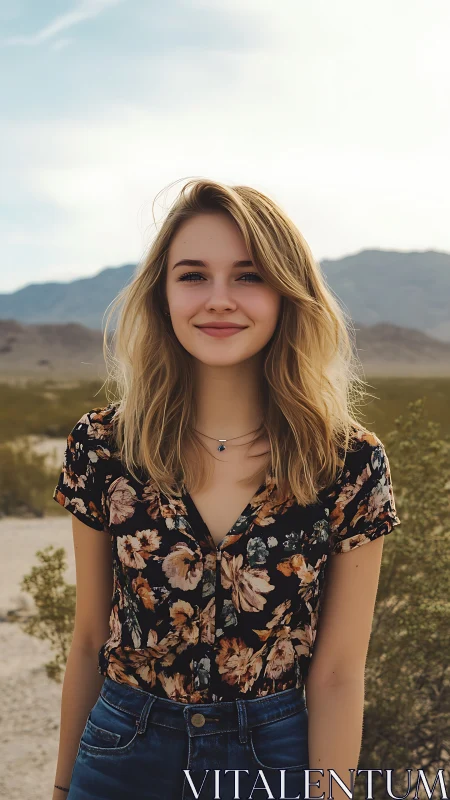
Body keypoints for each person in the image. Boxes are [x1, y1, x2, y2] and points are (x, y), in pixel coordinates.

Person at [51, 178, 401, 800]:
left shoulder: (347, 461)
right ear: (162, 294)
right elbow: (86, 641)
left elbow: (341, 674)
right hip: (120, 754)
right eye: (192, 276)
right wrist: (60, 788)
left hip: (276, 759)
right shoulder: (104, 445)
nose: (218, 299)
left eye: (248, 275)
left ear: (287, 294)